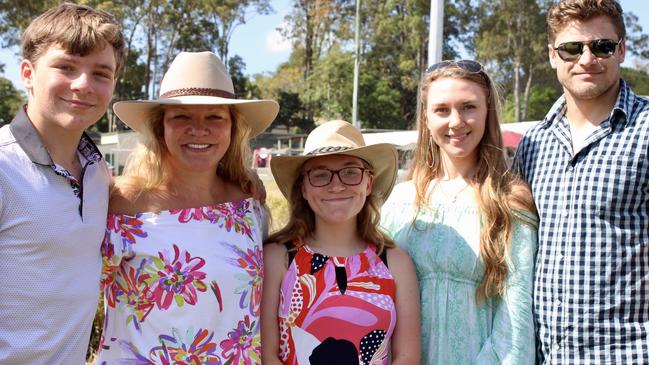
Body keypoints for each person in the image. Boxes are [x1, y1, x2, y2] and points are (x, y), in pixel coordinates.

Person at [98, 51, 278, 363]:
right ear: (160, 128)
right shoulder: (121, 204)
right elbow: (68, 294)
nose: (199, 129)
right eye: (182, 117)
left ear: (233, 128)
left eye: (214, 117)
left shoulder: (247, 206)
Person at [515, 0, 649, 363]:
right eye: (572, 48)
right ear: (552, 55)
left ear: (622, 49)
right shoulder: (533, 144)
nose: (587, 59)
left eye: (602, 46)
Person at [381, 60, 538, 364]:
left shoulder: (510, 202)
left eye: (468, 107)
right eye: (442, 110)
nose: (456, 121)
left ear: (487, 112)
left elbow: (515, 326)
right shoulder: (397, 202)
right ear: (425, 118)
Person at [0, 4, 125, 364]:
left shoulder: (97, 173)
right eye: (66, 67)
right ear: (27, 72)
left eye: (101, 73)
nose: (83, 84)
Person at [261, 120, 421, 365]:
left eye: (350, 172)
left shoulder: (395, 264)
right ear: (303, 187)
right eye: (320, 174)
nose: (336, 185)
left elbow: (407, 357)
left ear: (368, 183)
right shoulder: (279, 258)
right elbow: (267, 354)